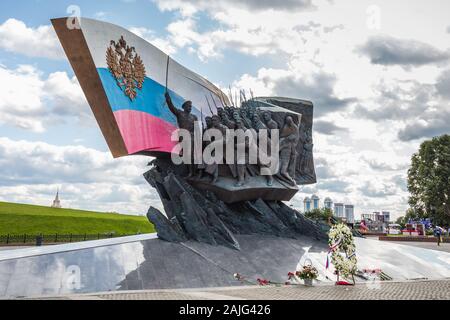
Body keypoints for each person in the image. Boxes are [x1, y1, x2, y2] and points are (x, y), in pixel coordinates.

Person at [165, 92, 198, 178]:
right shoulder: (180, 113)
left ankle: (195, 172)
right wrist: (168, 99)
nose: (190, 108)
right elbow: (171, 107)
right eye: (189, 106)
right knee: (187, 155)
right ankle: (190, 172)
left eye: (191, 106)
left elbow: (197, 129)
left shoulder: (194, 117)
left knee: (194, 155)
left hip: (193, 137)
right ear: (184, 107)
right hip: (184, 136)